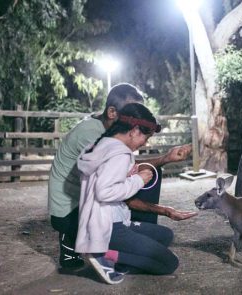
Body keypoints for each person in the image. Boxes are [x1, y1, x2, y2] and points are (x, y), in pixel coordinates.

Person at [48, 83, 196, 269]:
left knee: (150, 173)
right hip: (76, 213)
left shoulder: (107, 137)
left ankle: (128, 242)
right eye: (132, 113)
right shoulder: (97, 138)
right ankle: (107, 249)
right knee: (147, 176)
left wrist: (165, 159)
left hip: (89, 205)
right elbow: (109, 190)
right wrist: (162, 209)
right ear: (112, 112)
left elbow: (127, 171)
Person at [76, 102, 182, 284]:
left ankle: (114, 257)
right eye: (145, 138)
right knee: (169, 263)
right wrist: (138, 180)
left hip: (100, 221)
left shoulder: (101, 145)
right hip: (109, 227)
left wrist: (125, 175)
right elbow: (104, 192)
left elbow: (98, 181)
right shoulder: (120, 154)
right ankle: (107, 256)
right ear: (134, 131)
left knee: (165, 235)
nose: (144, 144)